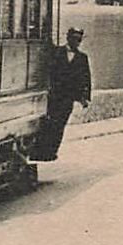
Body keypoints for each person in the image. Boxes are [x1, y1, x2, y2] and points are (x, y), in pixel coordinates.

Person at [33, 26, 92, 162]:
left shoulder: (82, 58)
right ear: (68, 38)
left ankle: (51, 152)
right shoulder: (56, 52)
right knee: (49, 124)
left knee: (60, 125)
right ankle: (40, 152)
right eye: (73, 39)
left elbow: (86, 78)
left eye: (78, 40)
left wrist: (84, 97)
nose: (76, 42)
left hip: (68, 99)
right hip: (54, 95)